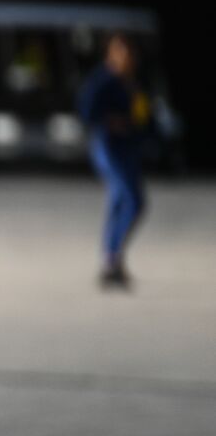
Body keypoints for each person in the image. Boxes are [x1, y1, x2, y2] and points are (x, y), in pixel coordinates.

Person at [79, 33, 147, 289]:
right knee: (129, 198)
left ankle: (112, 259)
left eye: (129, 52)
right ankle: (111, 258)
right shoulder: (103, 80)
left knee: (124, 200)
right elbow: (86, 110)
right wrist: (110, 121)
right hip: (107, 147)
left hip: (127, 149)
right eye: (121, 51)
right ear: (111, 53)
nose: (126, 57)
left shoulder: (131, 83)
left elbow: (142, 116)